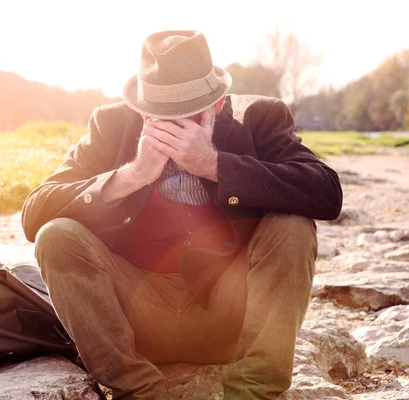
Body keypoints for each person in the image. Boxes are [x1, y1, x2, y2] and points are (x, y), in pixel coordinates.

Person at [21, 30, 343, 400]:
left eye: (187, 114)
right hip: (137, 319)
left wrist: (215, 165)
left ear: (218, 104)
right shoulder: (110, 124)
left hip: (228, 316)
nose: (172, 126)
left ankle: (254, 392)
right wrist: (131, 176)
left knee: (293, 228)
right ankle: (139, 392)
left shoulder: (259, 116)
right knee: (56, 235)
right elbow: (34, 213)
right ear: (140, 109)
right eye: (158, 115)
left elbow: (326, 192)